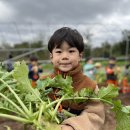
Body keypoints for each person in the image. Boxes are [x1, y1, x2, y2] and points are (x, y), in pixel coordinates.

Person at [41, 27, 105, 130]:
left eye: (71, 51)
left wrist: (71, 127)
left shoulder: (90, 86)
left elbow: (95, 115)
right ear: (51, 57)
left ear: (80, 56)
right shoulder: (43, 83)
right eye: (59, 51)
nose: (65, 56)